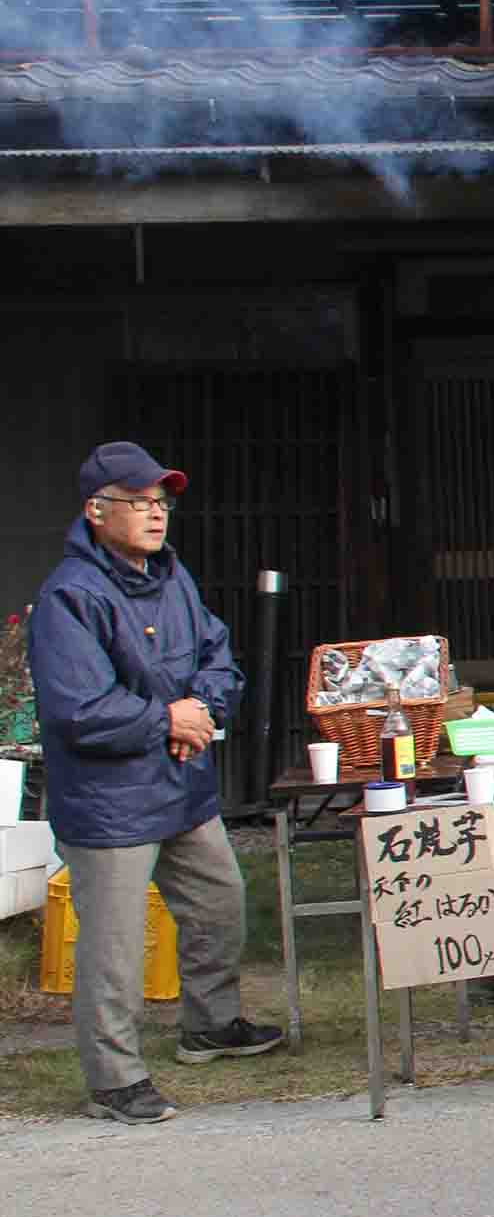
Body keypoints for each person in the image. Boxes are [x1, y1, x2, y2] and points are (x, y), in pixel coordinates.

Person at [30, 442, 282, 1127]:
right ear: (96, 510)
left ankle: (211, 1024)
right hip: (109, 801)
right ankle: (114, 1080)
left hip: (181, 782)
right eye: (138, 501)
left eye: (161, 502)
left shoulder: (174, 577)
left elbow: (217, 654)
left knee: (220, 899)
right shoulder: (69, 596)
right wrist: (166, 718)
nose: (155, 513)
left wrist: (200, 710)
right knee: (113, 946)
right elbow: (77, 708)